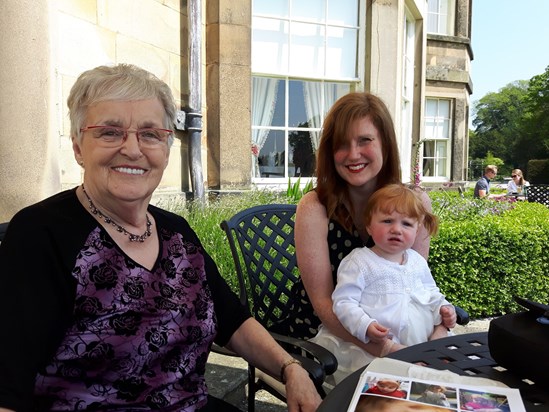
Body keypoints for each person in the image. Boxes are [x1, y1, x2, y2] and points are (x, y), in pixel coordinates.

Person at [0, 64, 321, 412]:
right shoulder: (40, 234)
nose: (133, 149)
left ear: (166, 149)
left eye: (150, 134)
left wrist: (292, 370)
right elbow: (8, 385)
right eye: (110, 132)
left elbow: (232, 319)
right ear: (78, 146)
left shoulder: (176, 233)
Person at [282, 92, 456, 381]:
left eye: (364, 140)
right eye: (342, 144)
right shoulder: (316, 207)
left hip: (397, 336)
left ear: (385, 144)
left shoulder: (415, 204)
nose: (353, 154)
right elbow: (324, 306)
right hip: (328, 335)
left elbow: (414, 287)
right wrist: (388, 349)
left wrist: (438, 332)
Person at [313, 184, 452, 379]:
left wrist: (444, 309)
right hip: (372, 350)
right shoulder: (359, 261)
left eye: (407, 224)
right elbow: (344, 302)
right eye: (387, 221)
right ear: (369, 226)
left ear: (417, 229)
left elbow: (431, 292)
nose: (396, 229)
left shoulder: (416, 260)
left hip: (422, 344)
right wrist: (365, 326)